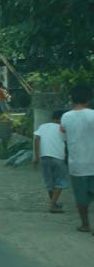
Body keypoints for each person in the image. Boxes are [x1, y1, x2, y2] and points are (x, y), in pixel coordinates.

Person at [60, 85, 94, 233]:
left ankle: (85, 224)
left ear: (72, 100)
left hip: (76, 164)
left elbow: (64, 138)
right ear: (89, 99)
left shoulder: (65, 117)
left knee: (81, 198)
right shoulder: (93, 115)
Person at [33, 110, 69, 213]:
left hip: (44, 157)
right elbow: (67, 143)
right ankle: (52, 205)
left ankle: (53, 202)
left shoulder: (43, 126)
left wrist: (36, 156)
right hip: (58, 157)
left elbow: (36, 139)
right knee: (60, 181)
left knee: (49, 181)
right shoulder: (63, 128)